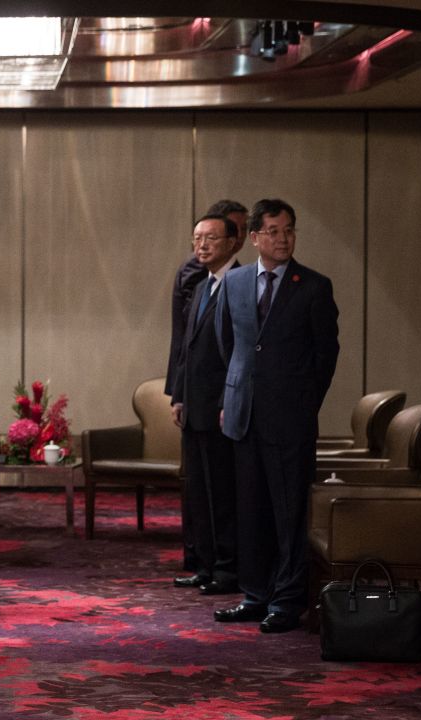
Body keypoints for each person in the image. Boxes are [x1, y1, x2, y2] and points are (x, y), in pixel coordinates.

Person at [213, 198, 339, 633]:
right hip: (244, 416)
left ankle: (287, 601)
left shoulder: (314, 286)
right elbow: (227, 346)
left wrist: (304, 403)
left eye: (289, 230)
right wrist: (237, 392)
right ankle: (255, 594)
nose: (283, 238)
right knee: (251, 511)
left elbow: (326, 356)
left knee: (288, 514)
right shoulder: (235, 283)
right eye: (273, 231)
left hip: (291, 420)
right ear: (253, 237)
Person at [168, 199, 247, 589]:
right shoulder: (202, 286)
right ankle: (205, 564)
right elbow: (187, 349)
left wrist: (223, 403)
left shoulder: (240, 284)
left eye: (211, 239)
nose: (202, 246)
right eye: (197, 239)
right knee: (199, 491)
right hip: (194, 406)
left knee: (223, 493)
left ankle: (228, 569)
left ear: (233, 242)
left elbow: (238, 353)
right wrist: (179, 396)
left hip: (221, 408)